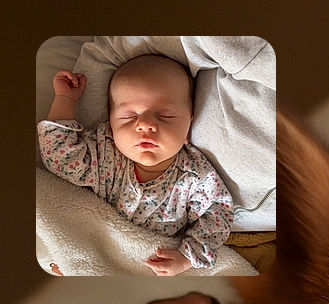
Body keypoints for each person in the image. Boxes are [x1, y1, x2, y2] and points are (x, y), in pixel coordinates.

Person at [38, 54, 234, 274]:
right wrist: (65, 99)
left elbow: (218, 215)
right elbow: (59, 157)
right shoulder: (104, 154)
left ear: (189, 125)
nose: (146, 125)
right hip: (96, 248)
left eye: (165, 115)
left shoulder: (195, 175)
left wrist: (187, 257)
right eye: (129, 116)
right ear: (111, 124)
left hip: (151, 265)